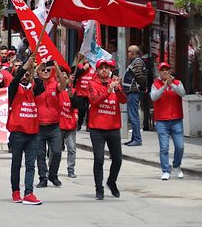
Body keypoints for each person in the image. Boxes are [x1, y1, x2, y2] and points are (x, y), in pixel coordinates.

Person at [7, 54, 43, 205]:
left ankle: (29, 193)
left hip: (33, 133)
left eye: (27, 76)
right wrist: (25, 66)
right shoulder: (14, 89)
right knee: (16, 164)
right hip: (17, 133)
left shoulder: (34, 89)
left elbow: (41, 86)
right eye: (23, 75)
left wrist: (33, 70)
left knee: (30, 165)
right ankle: (16, 191)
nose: (25, 77)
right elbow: (16, 80)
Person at [88, 59, 126, 200]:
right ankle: (99, 188)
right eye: (101, 68)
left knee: (117, 159)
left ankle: (111, 181)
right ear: (97, 71)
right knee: (99, 159)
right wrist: (107, 92)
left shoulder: (114, 83)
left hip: (113, 127)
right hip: (97, 128)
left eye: (107, 68)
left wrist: (117, 88)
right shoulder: (92, 84)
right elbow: (94, 101)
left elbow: (123, 100)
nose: (104, 70)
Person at [150, 62, 186, 181]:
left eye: (167, 70)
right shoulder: (155, 84)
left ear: (170, 71)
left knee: (180, 146)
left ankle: (176, 165)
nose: (165, 72)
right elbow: (153, 97)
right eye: (162, 70)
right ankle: (166, 170)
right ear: (159, 72)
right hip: (162, 121)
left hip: (176, 119)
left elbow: (182, 93)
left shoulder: (177, 82)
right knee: (164, 148)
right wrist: (164, 87)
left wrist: (172, 85)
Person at [35, 61, 67, 188]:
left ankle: (53, 175)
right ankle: (43, 177)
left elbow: (63, 85)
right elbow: (33, 74)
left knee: (57, 152)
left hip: (54, 126)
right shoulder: (36, 85)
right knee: (40, 154)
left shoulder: (55, 84)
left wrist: (57, 68)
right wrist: (39, 66)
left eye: (48, 70)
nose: (46, 72)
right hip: (39, 126)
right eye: (43, 70)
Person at [122, 45, 147, 146]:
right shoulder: (135, 62)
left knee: (133, 116)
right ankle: (134, 138)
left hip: (133, 92)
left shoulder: (137, 62)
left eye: (129, 51)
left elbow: (140, 77)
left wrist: (142, 87)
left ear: (134, 53)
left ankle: (137, 138)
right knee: (132, 115)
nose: (127, 53)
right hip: (131, 92)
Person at [58, 67, 79, 179]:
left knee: (71, 149)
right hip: (58, 125)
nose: (64, 79)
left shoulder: (73, 91)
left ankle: (71, 170)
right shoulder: (56, 90)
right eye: (62, 77)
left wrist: (71, 95)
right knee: (55, 151)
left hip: (70, 125)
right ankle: (52, 170)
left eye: (66, 77)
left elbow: (76, 105)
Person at [73, 54, 96, 130]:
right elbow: (74, 76)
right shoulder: (79, 66)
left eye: (88, 57)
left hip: (90, 93)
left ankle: (88, 125)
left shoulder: (94, 68)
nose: (86, 59)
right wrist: (83, 68)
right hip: (80, 92)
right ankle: (79, 123)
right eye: (85, 57)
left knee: (89, 110)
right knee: (81, 109)